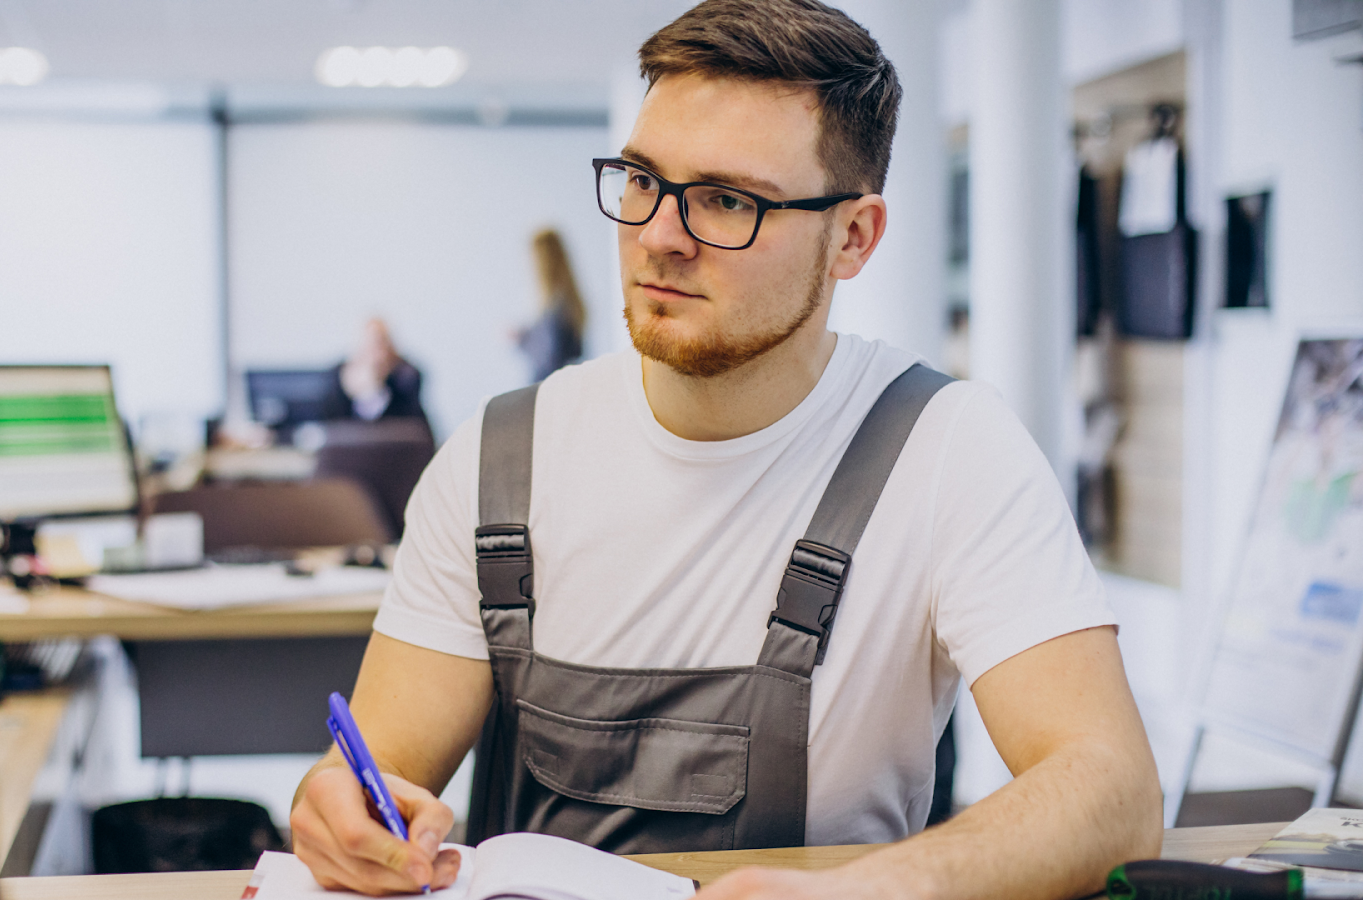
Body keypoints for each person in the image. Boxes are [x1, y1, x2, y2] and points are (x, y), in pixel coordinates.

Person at [289, 2, 1162, 898]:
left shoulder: (947, 451)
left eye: (726, 200)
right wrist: (340, 815)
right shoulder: (499, 457)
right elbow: (369, 775)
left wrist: (865, 892)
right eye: (640, 179)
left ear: (853, 237)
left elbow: (1111, 786)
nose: (659, 235)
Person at [515, 228, 588, 382]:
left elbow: (549, 358)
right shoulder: (570, 302)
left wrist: (522, 340)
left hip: (549, 390)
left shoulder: (556, 307)